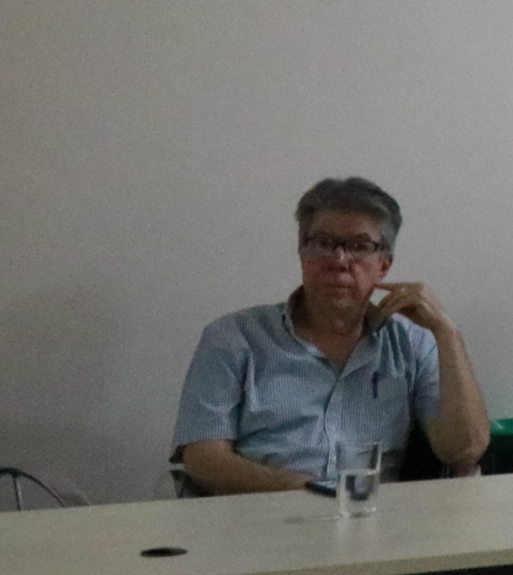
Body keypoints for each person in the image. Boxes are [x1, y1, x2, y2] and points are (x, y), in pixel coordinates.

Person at [173, 176, 492, 493]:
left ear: (383, 266)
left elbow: (464, 450)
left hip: (374, 518)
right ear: (302, 253)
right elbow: (203, 459)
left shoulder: (412, 342)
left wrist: (446, 332)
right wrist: (312, 491)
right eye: (323, 243)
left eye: (359, 246)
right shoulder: (233, 338)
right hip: (261, 513)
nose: (339, 261)